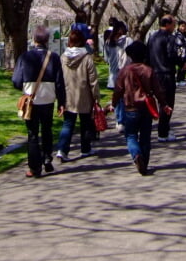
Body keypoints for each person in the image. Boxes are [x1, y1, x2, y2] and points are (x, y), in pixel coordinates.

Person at [12, 26, 66, 178]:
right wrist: (62, 102)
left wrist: (25, 87)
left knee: (33, 134)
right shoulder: (53, 57)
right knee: (47, 129)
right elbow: (60, 82)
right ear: (47, 40)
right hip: (48, 98)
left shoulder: (24, 57)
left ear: (34, 39)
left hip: (32, 100)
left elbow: (16, 81)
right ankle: (47, 159)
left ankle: (35, 168)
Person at [111, 40, 169, 175]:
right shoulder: (149, 70)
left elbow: (118, 90)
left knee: (131, 135)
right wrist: (164, 103)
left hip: (131, 107)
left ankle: (136, 155)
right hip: (146, 108)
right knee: (145, 136)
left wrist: (113, 104)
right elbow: (158, 90)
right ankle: (145, 163)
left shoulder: (125, 71)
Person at [57, 28, 101, 162]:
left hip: (68, 94)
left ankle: (62, 150)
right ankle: (85, 148)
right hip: (84, 95)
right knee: (85, 123)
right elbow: (93, 80)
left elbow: (59, 77)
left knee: (68, 123)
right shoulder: (87, 58)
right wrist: (96, 97)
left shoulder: (63, 58)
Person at [147, 14, 179, 141]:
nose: (174, 26)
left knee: (160, 102)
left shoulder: (152, 37)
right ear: (167, 24)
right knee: (167, 103)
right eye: (173, 24)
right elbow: (171, 55)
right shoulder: (169, 38)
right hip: (166, 74)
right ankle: (163, 133)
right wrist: (182, 63)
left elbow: (147, 55)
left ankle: (164, 129)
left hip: (154, 74)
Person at [174, 20, 186, 85]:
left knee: (184, 66)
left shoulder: (184, 35)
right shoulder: (177, 35)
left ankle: (181, 79)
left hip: (185, 53)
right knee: (182, 66)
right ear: (178, 26)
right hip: (180, 53)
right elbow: (179, 43)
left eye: (185, 27)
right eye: (182, 26)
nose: (183, 28)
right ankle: (179, 80)